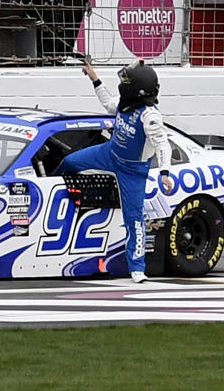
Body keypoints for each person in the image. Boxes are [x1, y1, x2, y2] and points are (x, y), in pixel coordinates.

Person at [55, 59, 174, 284]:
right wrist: (94, 77)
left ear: (137, 89)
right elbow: (108, 102)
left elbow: (162, 144)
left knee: (134, 219)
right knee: (70, 162)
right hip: (109, 153)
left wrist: (164, 172)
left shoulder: (150, 117)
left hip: (133, 171)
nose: (123, 83)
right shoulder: (125, 102)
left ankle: (137, 268)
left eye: (127, 80)